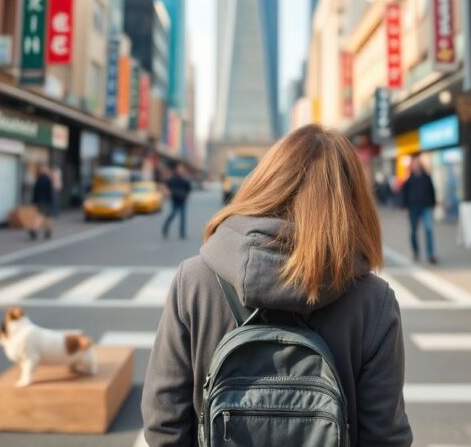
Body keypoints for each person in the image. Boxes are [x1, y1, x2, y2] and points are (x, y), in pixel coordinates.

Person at [142, 125, 411, 446]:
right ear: (352, 200)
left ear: (264, 182)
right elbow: (385, 436)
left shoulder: (195, 281)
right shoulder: (372, 301)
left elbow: (164, 421)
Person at [401, 157, 438, 264]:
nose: (416, 165)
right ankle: (416, 252)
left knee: (429, 229)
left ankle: (431, 254)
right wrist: (405, 204)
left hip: (426, 207)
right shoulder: (409, 179)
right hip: (413, 207)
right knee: (413, 231)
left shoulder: (427, 177)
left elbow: (432, 191)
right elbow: (404, 192)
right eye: (414, 164)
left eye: (417, 164)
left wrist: (433, 204)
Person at [162, 164, 191, 239]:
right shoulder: (173, 178)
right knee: (172, 214)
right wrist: (167, 193)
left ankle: (182, 233)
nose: (181, 170)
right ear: (177, 169)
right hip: (175, 200)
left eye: (182, 169)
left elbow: (189, 188)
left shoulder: (184, 179)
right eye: (180, 169)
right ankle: (165, 229)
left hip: (182, 200)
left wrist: (186, 196)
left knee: (182, 217)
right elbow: (166, 186)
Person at [30, 163, 55, 240]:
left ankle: (47, 231)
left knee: (46, 216)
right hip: (46, 201)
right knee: (44, 216)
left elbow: (35, 192)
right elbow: (50, 191)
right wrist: (52, 200)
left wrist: (34, 201)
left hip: (40, 201)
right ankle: (35, 229)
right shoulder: (47, 179)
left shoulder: (38, 179)